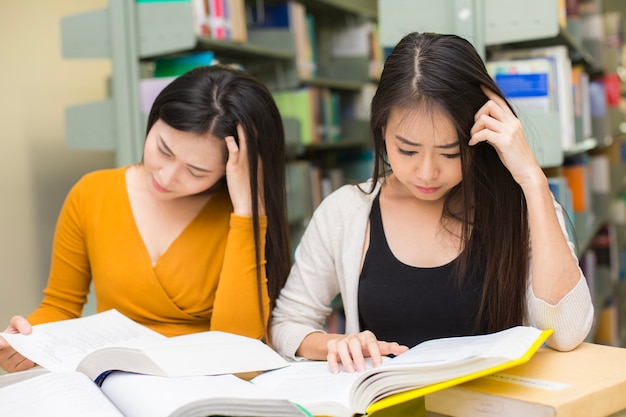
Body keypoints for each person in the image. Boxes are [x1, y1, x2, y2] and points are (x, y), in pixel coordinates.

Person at [270, 32, 595, 374]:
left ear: (479, 138)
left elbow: (567, 333)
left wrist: (532, 179)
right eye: (407, 150)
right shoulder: (345, 212)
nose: (427, 173)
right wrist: (334, 344)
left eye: (450, 152)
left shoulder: (522, 208)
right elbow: (287, 323)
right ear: (381, 130)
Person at [0, 64, 291, 373]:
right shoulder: (91, 193)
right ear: (153, 121)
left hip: (207, 387)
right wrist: (26, 341)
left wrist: (247, 211)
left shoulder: (242, 216)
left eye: (197, 171)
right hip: (115, 382)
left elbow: (239, 355)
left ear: (232, 170)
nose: (167, 176)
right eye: (163, 150)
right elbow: (60, 306)